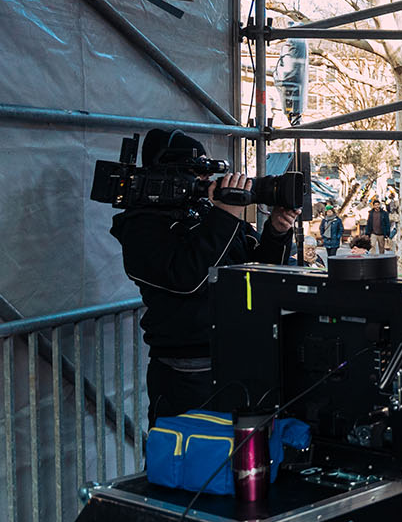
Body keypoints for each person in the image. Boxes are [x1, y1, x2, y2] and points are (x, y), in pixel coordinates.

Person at [109, 129, 299, 424]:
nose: (205, 182)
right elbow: (188, 278)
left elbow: (256, 273)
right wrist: (225, 214)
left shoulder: (208, 214)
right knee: (191, 448)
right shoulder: (141, 226)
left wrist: (276, 231)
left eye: (206, 173)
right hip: (187, 371)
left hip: (239, 354)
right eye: (196, 173)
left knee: (243, 448)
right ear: (166, 173)